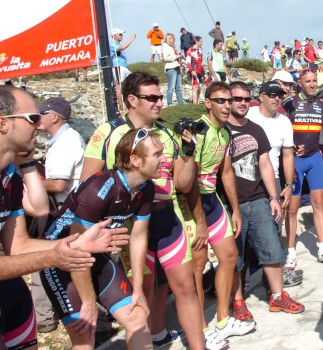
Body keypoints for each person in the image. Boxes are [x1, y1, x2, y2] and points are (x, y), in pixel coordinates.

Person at [81, 72, 223, 350]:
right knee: (141, 297)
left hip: (168, 219)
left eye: (160, 96)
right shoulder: (108, 133)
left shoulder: (167, 133)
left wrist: (188, 152)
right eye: (152, 97)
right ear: (132, 100)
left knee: (185, 288)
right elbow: (87, 187)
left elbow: (183, 184)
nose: (160, 102)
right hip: (130, 225)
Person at [0, 85, 129, 350]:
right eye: (32, 118)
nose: (39, 125)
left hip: (4, 286)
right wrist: (53, 257)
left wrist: (75, 244)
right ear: (3, 124)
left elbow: (18, 245)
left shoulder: (9, 176)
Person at [42, 129, 160, 349]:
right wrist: (89, 301)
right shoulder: (99, 189)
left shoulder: (146, 188)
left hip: (94, 256)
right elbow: (77, 249)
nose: (164, 159)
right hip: (63, 262)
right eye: (157, 154)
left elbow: (138, 237)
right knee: (85, 335)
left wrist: (138, 288)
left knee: (137, 316)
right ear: (135, 160)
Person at [226, 81, 305, 322]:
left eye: (244, 98)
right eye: (236, 98)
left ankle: (277, 295)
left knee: (271, 247)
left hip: (260, 196)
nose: (241, 102)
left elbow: (266, 164)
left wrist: (274, 195)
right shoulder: (221, 129)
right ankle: (238, 301)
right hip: (231, 202)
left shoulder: (256, 129)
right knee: (236, 255)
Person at [187, 82, 254, 340]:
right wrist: (199, 221)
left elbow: (226, 172)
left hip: (212, 199)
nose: (227, 106)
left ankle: (223, 319)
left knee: (229, 255)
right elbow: (189, 180)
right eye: (220, 101)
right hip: (191, 201)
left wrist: (235, 209)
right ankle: (200, 328)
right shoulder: (197, 131)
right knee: (198, 266)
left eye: (229, 101)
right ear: (207, 103)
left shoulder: (225, 131)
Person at [31, 97, 87, 333]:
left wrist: (28, 182)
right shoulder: (64, 139)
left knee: (41, 259)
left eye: (40, 114)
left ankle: (45, 318)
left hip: (64, 211)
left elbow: (58, 185)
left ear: (53, 117)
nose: (36, 119)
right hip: (67, 210)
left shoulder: (66, 142)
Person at [282, 68, 323, 267]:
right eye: (308, 81)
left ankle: (322, 248)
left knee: (318, 204)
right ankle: (290, 252)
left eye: (314, 80)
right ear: (300, 83)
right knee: (292, 209)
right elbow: (282, 130)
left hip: (315, 158)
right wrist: (289, 147)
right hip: (295, 160)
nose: (312, 84)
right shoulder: (289, 104)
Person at [162, 33, 185, 106]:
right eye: (173, 39)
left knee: (179, 87)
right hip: (170, 67)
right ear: (169, 39)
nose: (174, 40)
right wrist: (176, 56)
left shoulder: (172, 47)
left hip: (177, 67)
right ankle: (169, 103)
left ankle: (181, 103)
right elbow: (166, 58)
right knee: (171, 87)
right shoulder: (165, 46)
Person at [186, 36, 206, 105]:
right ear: (196, 41)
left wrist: (204, 73)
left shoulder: (199, 51)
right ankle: (195, 105)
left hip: (200, 71)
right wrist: (191, 70)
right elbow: (188, 62)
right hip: (194, 71)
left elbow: (201, 63)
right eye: (201, 41)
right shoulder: (190, 50)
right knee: (195, 87)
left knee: (199, 88)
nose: (202, 43)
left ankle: (198, 104)